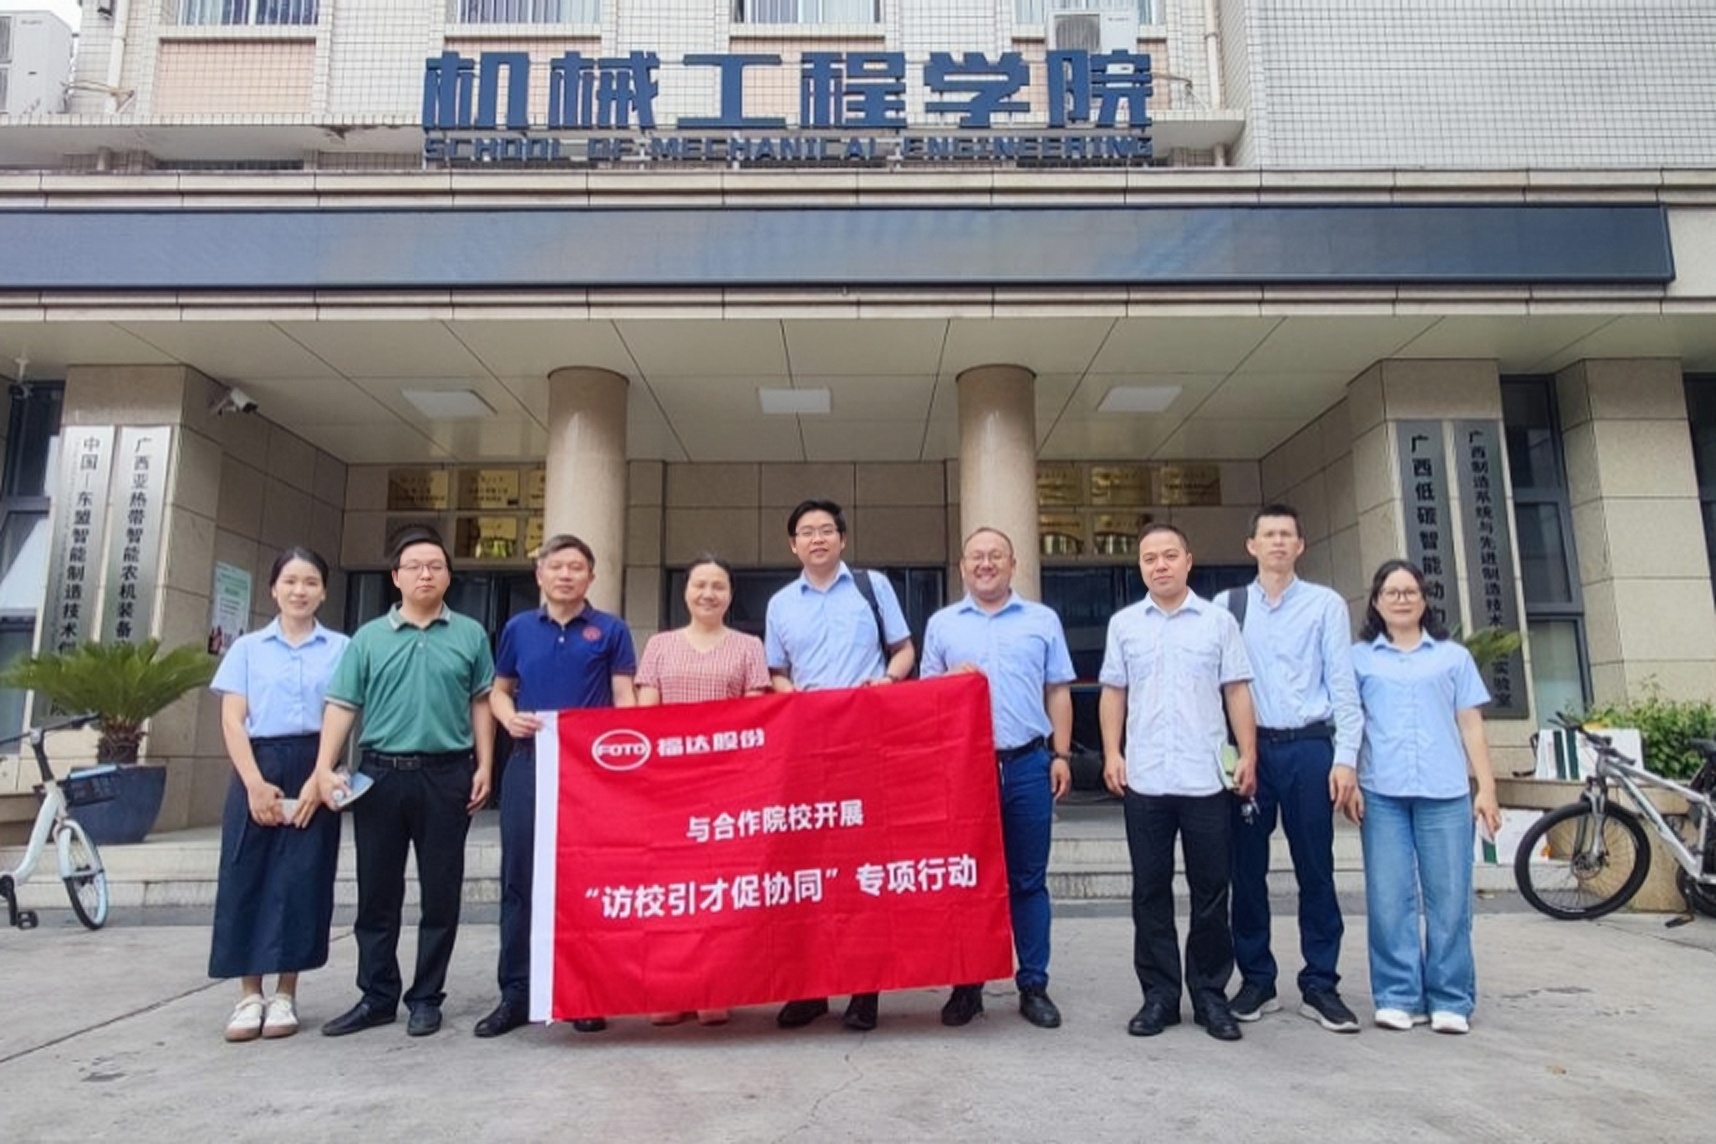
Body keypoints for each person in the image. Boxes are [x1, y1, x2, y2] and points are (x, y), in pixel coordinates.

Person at [313, 526, 496, 1039]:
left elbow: (482, 702)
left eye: (435, 566)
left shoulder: (470, 635)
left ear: (449, 576)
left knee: (441, 893)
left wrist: (485, 765)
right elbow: (343, 705)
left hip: (447, 775)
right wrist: (324, 767)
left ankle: (426, 998)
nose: (425, 574)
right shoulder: (368, 638)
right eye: (414, 566)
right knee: (377, 893)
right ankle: (376, 996)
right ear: (396, 577)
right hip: (380, 776)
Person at [1100, 522, 1256, 1042]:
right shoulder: (1125, 625)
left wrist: (1248, 754)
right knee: (1150, 891)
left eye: (1170, 555)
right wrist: (1111, 753)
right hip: (1145, 778)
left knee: (1211, 891)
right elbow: (1114, 692)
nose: (1160, 565)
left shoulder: (1217, 622)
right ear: (1140, 567)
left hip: (1205, 779)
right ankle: (1159, 997)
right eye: (1150, 558)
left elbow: (1236, 690)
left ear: (1188, 561)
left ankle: (1210, 995)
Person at [476, 534, 637, 1038]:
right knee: (520, 878)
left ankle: (584, 992)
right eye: (557, 566)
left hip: (592, 775)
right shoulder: (519, 628)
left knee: (587, 879)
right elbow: (498, 691)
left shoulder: (611, 630)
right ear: (539, 574)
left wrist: (628, 755)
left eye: (576, 567)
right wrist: (509, 718)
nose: (566, 575)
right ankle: (516, 992)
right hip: (530, 764)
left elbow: (624, 697)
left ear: (591, 577)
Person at [765, 498, 915, 1032]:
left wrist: (889, 681)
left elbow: (904, 650)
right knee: (807, 868)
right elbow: (776, 671)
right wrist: (791, 695)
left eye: (826, 530)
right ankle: (810, 990)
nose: (817, 538)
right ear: (793, 545)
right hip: (808, 749)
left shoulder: (873, 588)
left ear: (842, 539)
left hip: (865, 743)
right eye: (806, 532)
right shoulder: (781, 604)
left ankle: (864, 990)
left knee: (862, 867)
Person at [920, 526, 1075, 1030]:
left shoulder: (1042, 620)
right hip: (965, 769)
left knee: (1028, 880)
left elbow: (1058, 690)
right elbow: (924, 698)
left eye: (995, 556)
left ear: (1013, 564)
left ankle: (1033, 984)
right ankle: (968, 984)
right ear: (963, 567)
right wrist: (948, 681)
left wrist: (1061, 755)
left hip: (1029, 763)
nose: (985, 564)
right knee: (967, 878)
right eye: (976, 557)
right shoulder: (943, 625)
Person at [1219, 504, 1364, 1033]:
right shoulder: (1228, 606)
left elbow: (1343, 686)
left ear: (1300, 545)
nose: (1277, 542)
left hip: (1309, 749)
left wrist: (1345, 759)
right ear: (1251, 545)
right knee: (1246, 872)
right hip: (1251, 751)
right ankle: (1256, 979)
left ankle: (1320, 984)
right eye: (1268, 535)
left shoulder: (1325, 605)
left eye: (1287, 535)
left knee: (1315, 869)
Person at [1346, 559, 1501, 1036]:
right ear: (1376, 603)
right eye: (1391, 592)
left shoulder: (1452, 658)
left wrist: (1486, 788)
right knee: (1389, 899)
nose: (1401, 599)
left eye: (1409, 591)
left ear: (1424, 599)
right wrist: (1349, 778)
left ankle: (1451, 998)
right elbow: (1350, 722)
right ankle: (1398, 995)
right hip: (1382, 792)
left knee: (1449, 900)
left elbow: (1470, 725)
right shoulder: (1359, 659)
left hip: (1445, 792)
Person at [207, 547, 349, 1043]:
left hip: (316, 761)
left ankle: (286, 992)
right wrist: (253, 782)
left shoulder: (341, 648)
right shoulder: (247, 649)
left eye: (310, 582)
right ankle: (249, 994)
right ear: (273, 588)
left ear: (323, 591)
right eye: (290, 581)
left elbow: (344, 712)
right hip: (258, 763)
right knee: (247, 874)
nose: (299, 591)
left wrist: (321, 774)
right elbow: (232, 719)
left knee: (302, 879)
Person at [635, 553, 771, 1027]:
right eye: (700, 585)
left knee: (717, 892)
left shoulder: (749, 647)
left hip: (726, 788)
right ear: (685, 591)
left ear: (730, 595)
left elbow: (754, 716)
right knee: (671, 891)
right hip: (670, 787)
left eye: (718, 586)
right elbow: (646, 715)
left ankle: (715, 988)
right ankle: (670, 989)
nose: (708, 594)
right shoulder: (660, 645)